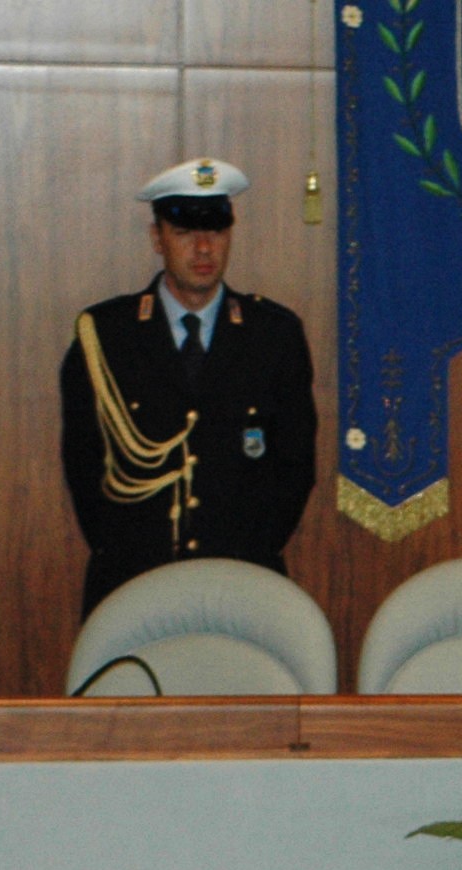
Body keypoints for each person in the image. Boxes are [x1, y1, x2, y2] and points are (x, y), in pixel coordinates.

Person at [59, 157, 318, 617]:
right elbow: (85, 470)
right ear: (157, 239)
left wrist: (246, 554)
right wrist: (130, 552)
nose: (203, 248)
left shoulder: (274, 336)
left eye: (216, 231)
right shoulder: (106, 337)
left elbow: (295, 469)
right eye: (183, 233)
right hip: (132, 588)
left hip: (243, 587)